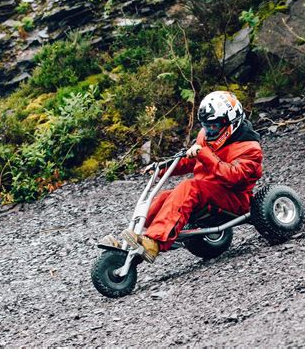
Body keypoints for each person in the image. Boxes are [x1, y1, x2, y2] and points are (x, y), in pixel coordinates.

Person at [102, 91, 263, 263]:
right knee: (165, 197)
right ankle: (136, 241)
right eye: (205, 126)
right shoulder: (206, 137)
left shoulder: (249, 148)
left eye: (213, 126)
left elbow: (234, 176)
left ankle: (155, 242)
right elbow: (190, 161)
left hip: (234, 199)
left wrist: (204, 154)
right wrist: (162, 168)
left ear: (230, 123)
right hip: (206, 193)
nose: (208, 131)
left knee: (188, 187)